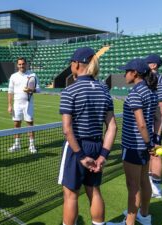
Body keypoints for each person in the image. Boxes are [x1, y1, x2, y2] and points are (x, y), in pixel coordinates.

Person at [58, 47, 117, 225]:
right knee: (94, 190)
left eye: (72, 62)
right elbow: (112, 126)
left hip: (76, 148)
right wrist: (103, 156)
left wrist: (81, 156)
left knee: (71, 195)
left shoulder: (70, 91)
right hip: (97, 146)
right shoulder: (104, 90)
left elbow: (67, 130)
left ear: (77, 64)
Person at [107, 58, 159, 225]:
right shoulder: (150, 91)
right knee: (144, 181)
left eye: (126, 71)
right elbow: (158, 118)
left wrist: (149, 144)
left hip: (134, 146)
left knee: (133, 186)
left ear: (135, 73)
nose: (124, 74)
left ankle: (129, 222)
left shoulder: (136, 93)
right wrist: (153, 141)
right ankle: (144, 216)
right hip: (143, 145)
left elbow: (141, 123)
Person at [144, 54, 162, 199]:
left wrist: (161, 126)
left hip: (155, 123)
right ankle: (151, 182)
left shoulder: (158, 81)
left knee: (155, 153)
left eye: (147, 63)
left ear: (154, 65)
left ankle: (157, 188)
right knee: (152, 153)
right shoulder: (153, 79)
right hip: (155, 122)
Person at [7, 57, 40, 154]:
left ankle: (32, 145)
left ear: (26, 64)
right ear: (17, 65)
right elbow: (10, 92)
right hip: (17, 104)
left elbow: (38, 89)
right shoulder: (13, 76)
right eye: (19, 64)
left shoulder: (33, 75)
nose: (21, 66)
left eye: (23, 64)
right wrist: (9, 105)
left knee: (30, 124)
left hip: (28, 104)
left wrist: (31, 90)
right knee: (16, 124)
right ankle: (17, 145)